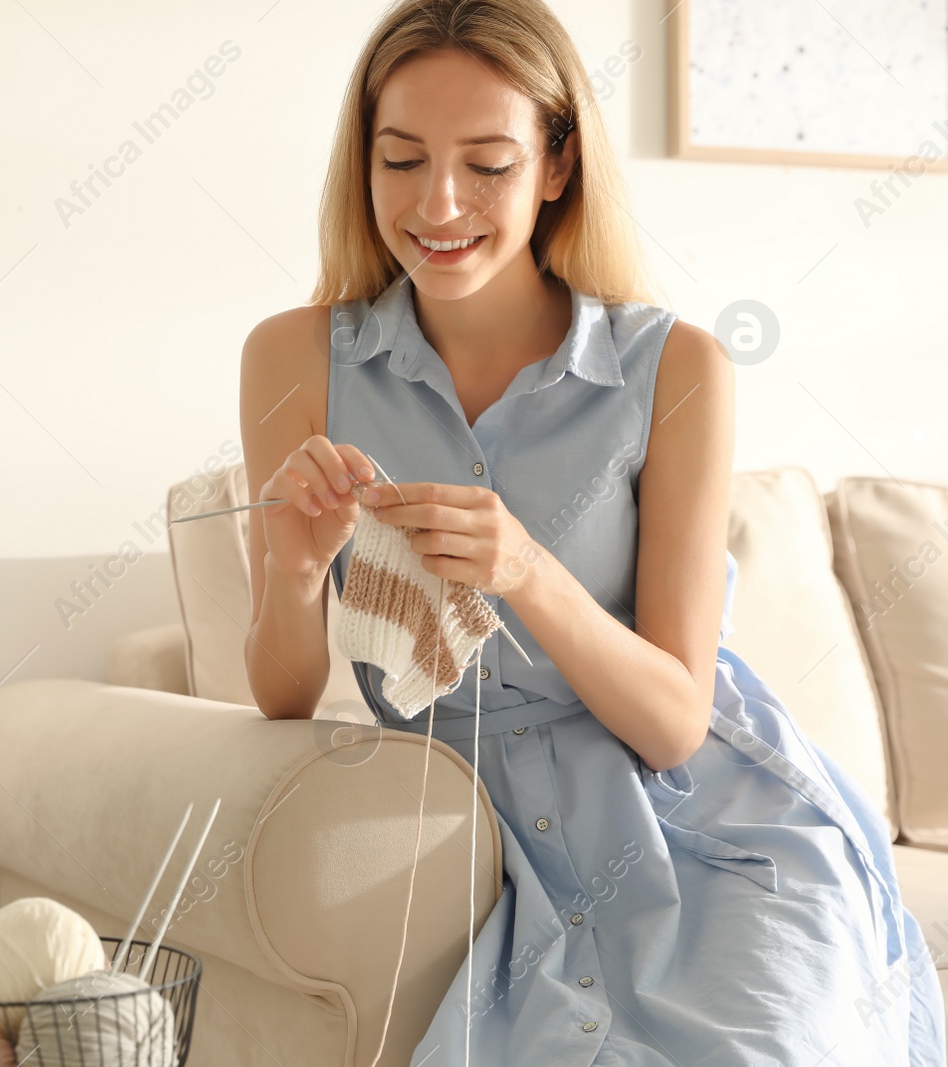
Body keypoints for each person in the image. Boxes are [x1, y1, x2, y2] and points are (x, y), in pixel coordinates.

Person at [236, 1, 947, 1064]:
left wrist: (525, 566)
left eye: (487, 163)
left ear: (557, 163)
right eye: (401, 159)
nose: (438, 203)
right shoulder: (293, 358)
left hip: (699, 822)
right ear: (364, 164)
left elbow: (672, 721)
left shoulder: (677, 369)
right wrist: (293, 575)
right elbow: (281, 697)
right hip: (471, 808)